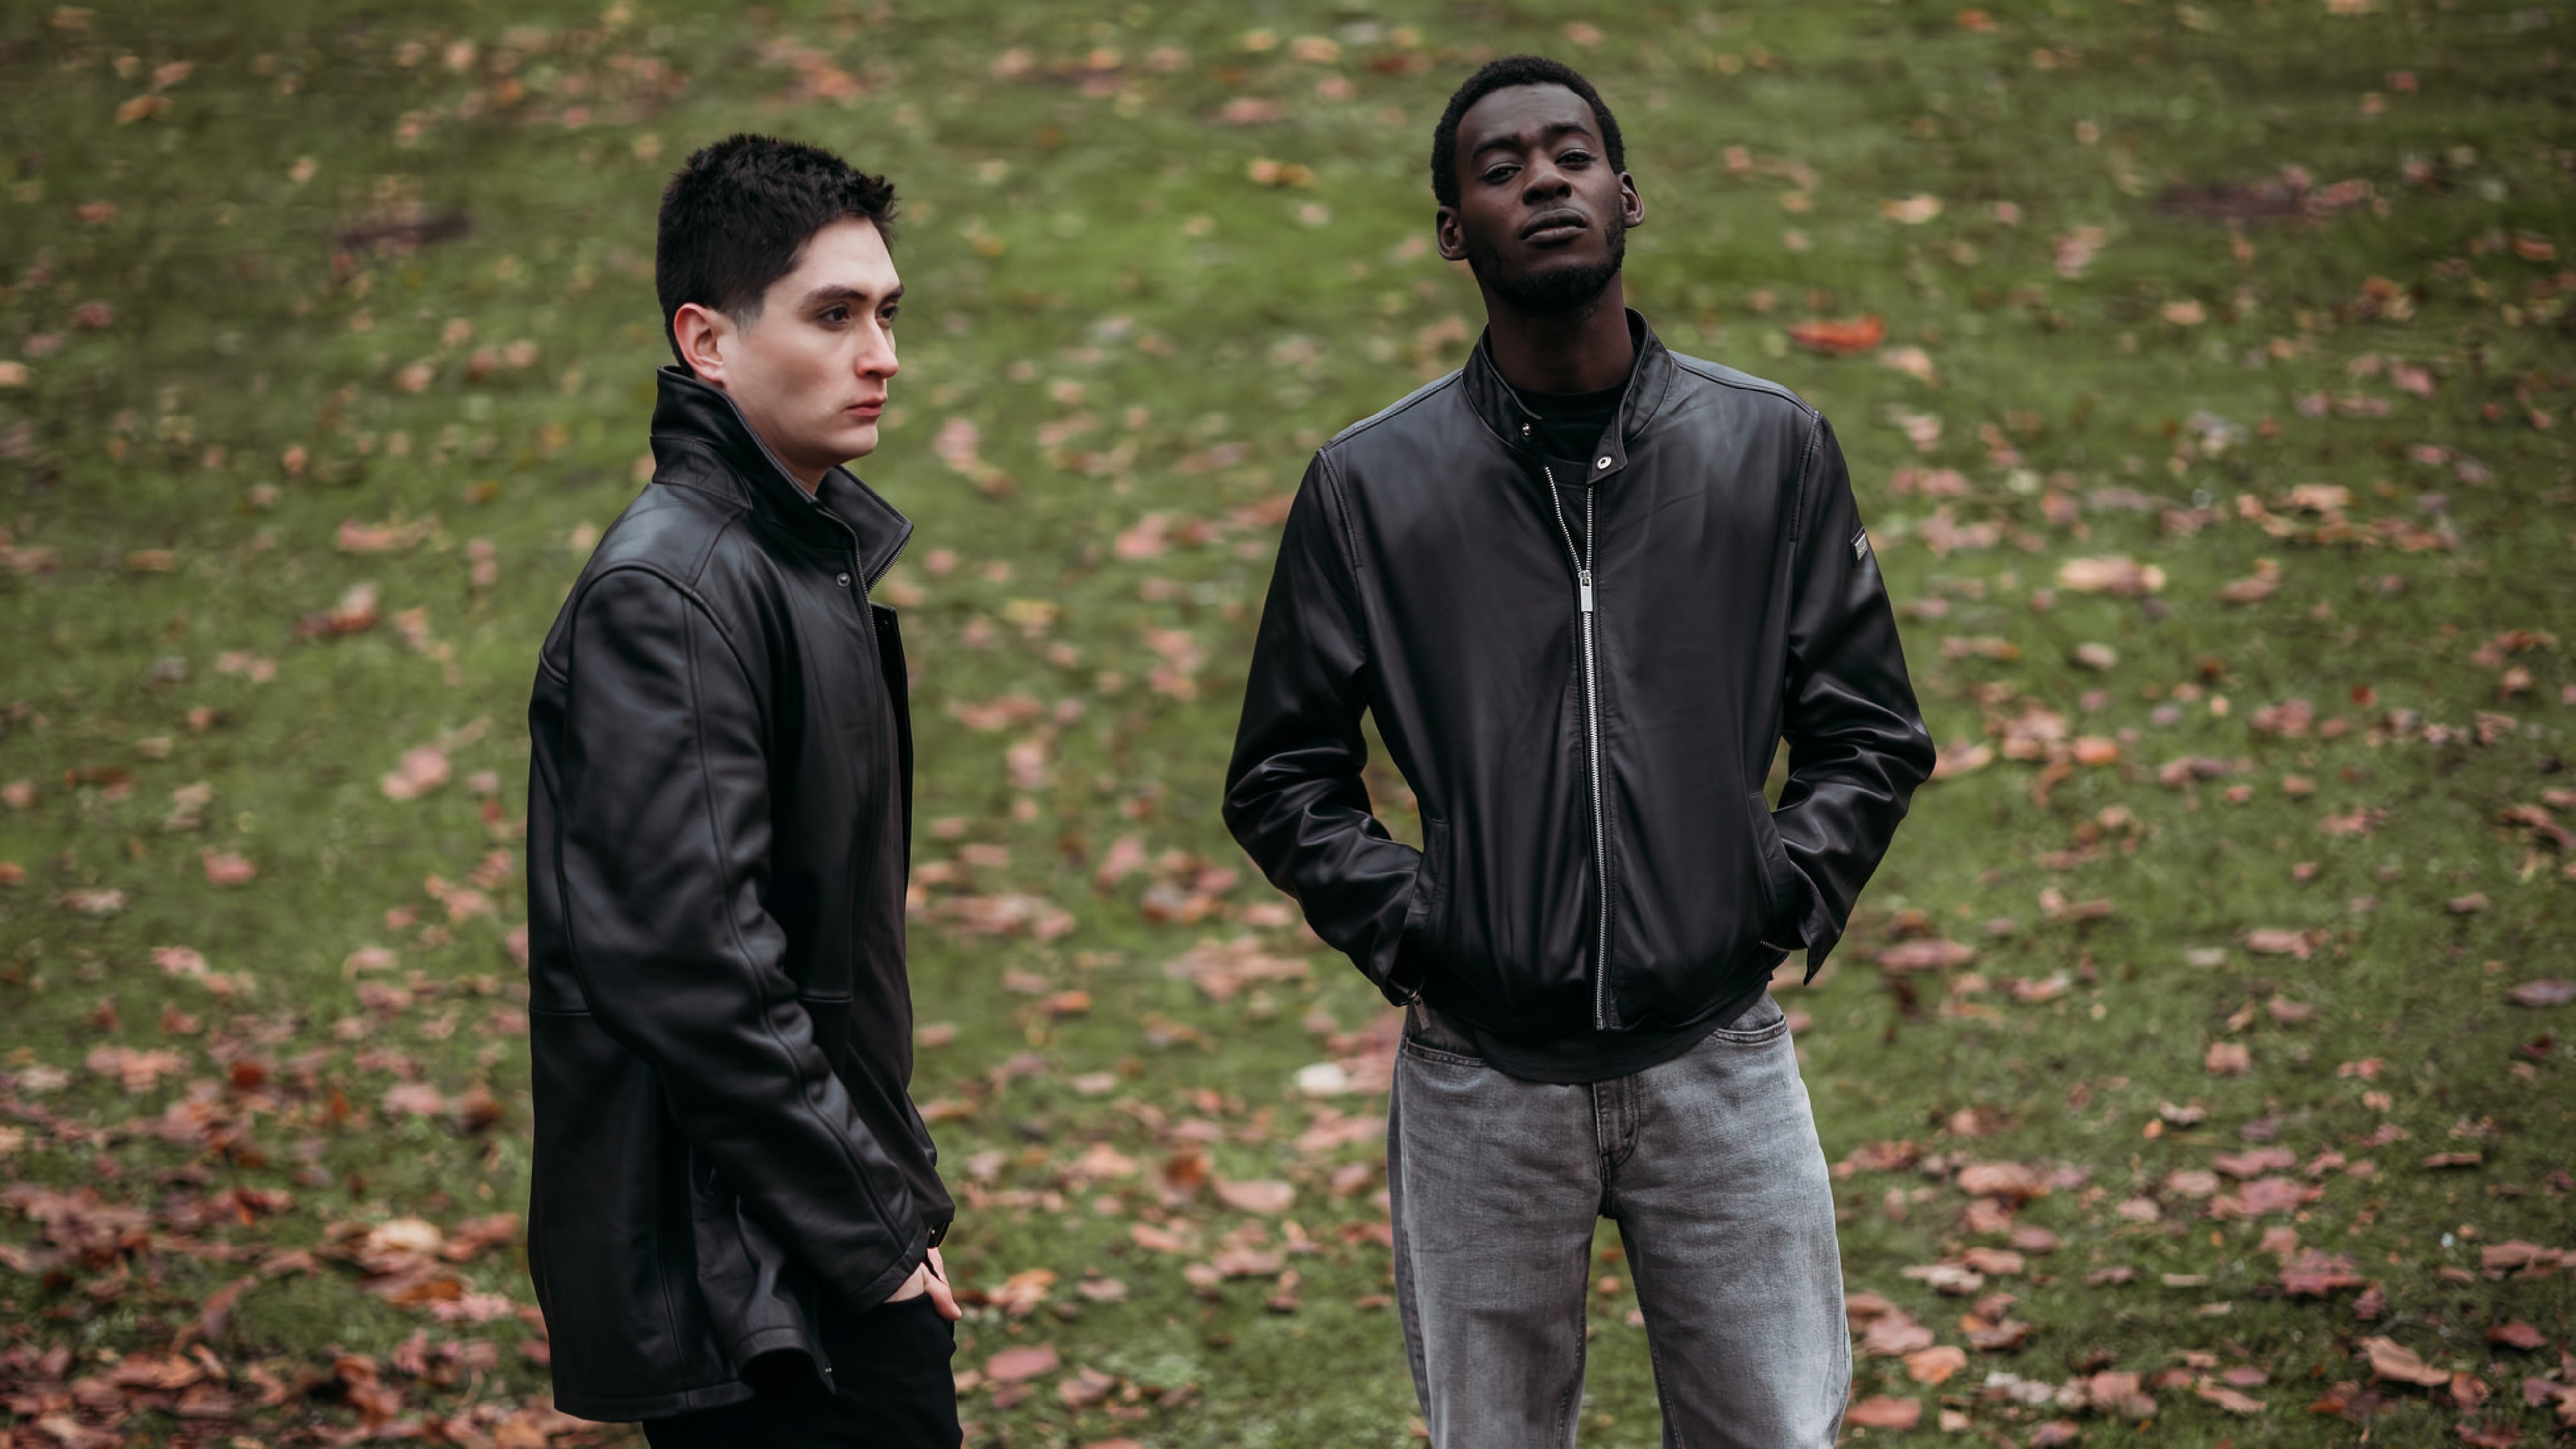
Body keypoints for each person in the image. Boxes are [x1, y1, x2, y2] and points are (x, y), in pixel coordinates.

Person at [1224, 56, 1935, 1448]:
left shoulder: (1765, 448)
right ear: (1452, 233)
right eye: (1498, 168)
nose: (1541, 179)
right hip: (1478, 1078)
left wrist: (1770, 892)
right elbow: (1280, 777)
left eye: (1569, 155)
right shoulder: (1370, 488)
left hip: (1717, 1062)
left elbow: (1868, 728)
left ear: (1626, 194)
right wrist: (1429, 927)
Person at [524, 133, 960, 1448]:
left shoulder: (788, 561)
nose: (880, 354)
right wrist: (873, 1236)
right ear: (706, 341)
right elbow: (698, 968)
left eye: (886, 313)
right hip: (749, 1283)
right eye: (833, 315)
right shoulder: (670, 594)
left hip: (803, 1229)